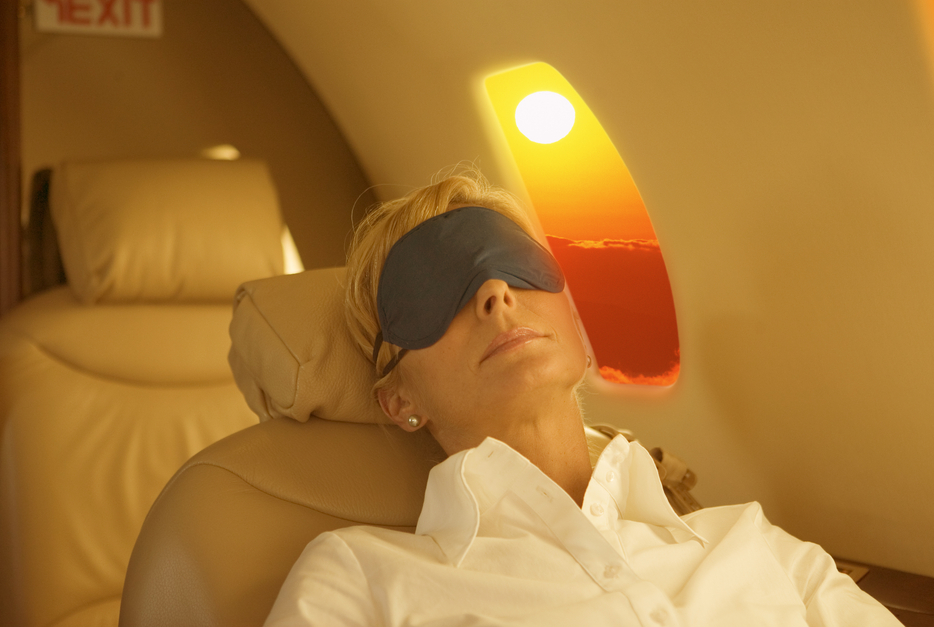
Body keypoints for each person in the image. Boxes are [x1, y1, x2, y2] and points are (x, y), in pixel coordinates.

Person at [264, 171, 901, 627]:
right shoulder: (364, 580)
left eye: (516, 264)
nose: (494, 293)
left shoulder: (755, 543)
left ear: (576, 325)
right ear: (398, 399)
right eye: (432, 288)